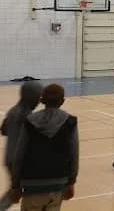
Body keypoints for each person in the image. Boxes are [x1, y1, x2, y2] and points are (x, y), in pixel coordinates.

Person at [10, 83, 79, 211]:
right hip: (58, 183)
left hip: (32, 185)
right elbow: (74, 154)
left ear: (42, 100)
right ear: (62, 101)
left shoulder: (29, 121)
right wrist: (71, 182)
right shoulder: (70, 121)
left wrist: (15, 185)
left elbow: (19, 155)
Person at [0, 81, 43, 211]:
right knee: (30, 191)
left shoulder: (13, 111)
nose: (39, 101)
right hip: (19, 160)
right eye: (38, 97)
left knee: (17, 190)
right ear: (31, 97)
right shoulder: (27, 116)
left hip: (9, 158)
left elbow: (3, 130)